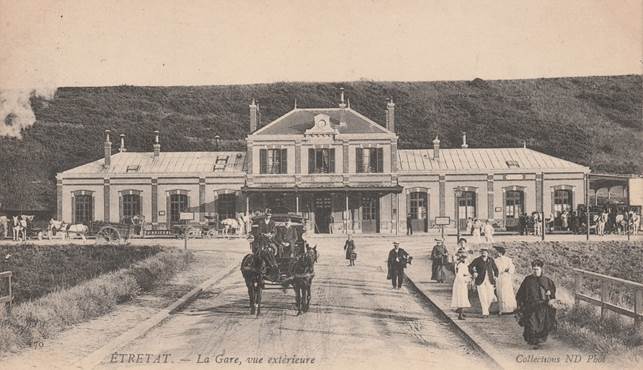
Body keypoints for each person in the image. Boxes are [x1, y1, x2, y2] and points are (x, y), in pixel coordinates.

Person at [516, 259, 557, 348]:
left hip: (543, 307)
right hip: (530, 306)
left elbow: (552, 291)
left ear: (541, 269)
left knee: (542, 325)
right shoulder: (528, 280)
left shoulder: (547, 280)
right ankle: (533, 341)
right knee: (531, 324)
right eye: (534, 269)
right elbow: (521, 292)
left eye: (537, 269)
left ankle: (539, 340)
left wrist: (550, 293)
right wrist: (520, 303)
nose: (535, 271)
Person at [468, 248, 498, 317]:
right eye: (482, 252)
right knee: (482, 297)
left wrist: (496, 276)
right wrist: (474, 272)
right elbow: (470, 266)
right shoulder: (477, 260)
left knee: (490, 296)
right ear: (480, 253)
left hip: (490, 280)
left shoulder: (490, 260)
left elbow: (495, 269)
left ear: (487, 253)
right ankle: (485, 312)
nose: (483, 254)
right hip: (480, 280)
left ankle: (486, 309)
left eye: (485, 252)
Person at [494, 246, 517, 314]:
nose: (496, 253)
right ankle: (502, 309)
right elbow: (495, 269)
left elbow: (512, 267)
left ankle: (510, 308)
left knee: (507, 292)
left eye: (497, 251)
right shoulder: (496, 260)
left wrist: (507, 270)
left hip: (506, 278)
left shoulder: (508, 259)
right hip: (499, 278)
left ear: (500, 252)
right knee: (500, 293)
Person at [451, 254, 471, 320]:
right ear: (462, 259)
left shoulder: (460, 265)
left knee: (461, 297)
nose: (466, 260)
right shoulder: (461, 266)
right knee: (461, 297)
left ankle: (460, 311)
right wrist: (467, 279)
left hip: (460, 283)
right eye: (465, 258)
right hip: (460, 283)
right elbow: (460, 276)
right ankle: (460, 315)